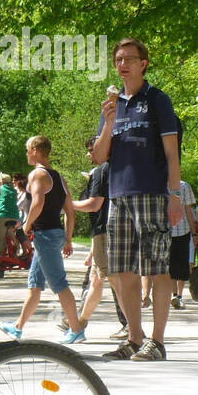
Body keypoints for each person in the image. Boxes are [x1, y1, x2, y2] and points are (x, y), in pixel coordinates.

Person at [92, 38, 184, 361]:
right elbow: (100, 157)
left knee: (158, 269)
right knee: (121, 272)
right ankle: (134, 338)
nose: (122, 65)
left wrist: (175, 195)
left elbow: (173, 154)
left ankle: (156, 342)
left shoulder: (158, 100)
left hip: (152, 194)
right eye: (118, 59)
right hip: (118, 196)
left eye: (129, 59)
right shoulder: (112, 105)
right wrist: (107, 122)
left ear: (143, 63)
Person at [0, 136, 88, 343]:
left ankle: (76, 329)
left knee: (59, 283)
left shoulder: (37, 174)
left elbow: (37, 203)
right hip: (51, 234)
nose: (26, 153)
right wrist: (68, 239)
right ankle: (18, 327)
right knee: (35, 284)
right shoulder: (58, 177)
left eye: (28, 149)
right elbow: (70, 211)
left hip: (45, 236)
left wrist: (25, 227)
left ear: (36, 150)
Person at [69, 136, 127, 335]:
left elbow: (94, 204)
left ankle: (132, 328)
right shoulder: (120, 168)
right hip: (111, 231)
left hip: (105, 231)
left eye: (91, 150)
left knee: (115, 282)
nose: (88, 154)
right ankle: (79, 325)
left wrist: (67, 204)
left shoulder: (101, 171)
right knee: (96, 280)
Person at [168, 178, 198, 308]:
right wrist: (194, 234)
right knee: (181, 265)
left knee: (171, 266)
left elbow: (189, 212)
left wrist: (193, 233)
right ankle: (178, 296)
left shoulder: (160, 184)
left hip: (170, 232)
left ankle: (175, 295)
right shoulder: (184, 186)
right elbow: (189, 212)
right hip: (179, 231)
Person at [0, 172, 21, 266]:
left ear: (1, 181)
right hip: (15, 217)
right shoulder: (13, 190)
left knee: (0, 237)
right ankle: (15, 252)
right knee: (9, 233)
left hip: (3, 215)